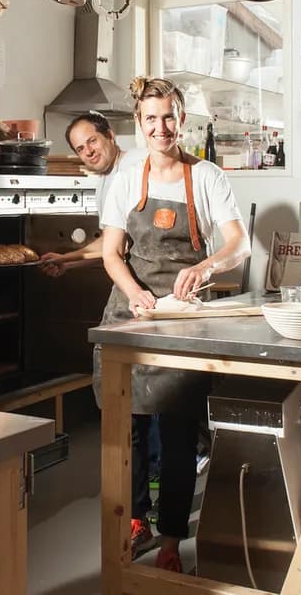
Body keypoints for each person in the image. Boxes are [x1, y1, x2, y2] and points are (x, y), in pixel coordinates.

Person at [96, 77, 250, 572]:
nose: (160, 128)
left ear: (182, 120)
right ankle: (136, 516)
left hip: (181, 318)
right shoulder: (126, 176)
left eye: (168, 117)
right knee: (130, 427)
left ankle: (171, 538)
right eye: (150, 119)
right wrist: (134, 291)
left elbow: (238, 244)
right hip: (132, 313)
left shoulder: (206, 176)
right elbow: (111, 253)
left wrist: (205, 267)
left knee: (179, 431)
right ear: (139, 125)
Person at [38, 111, 145, 277]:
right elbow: (109, 245)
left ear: (110, 135)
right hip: (133, 279)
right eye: (80, 149)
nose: (88, 151)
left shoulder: (136, 163)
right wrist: (67, 263)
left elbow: (123, 244)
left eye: (92, 141)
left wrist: (66, 258)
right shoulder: (103, 182)